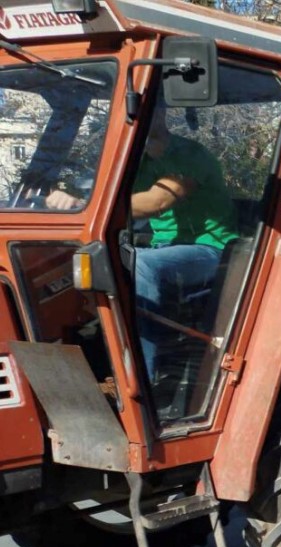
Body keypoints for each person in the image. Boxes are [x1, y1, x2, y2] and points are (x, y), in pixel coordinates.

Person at [46, 105, 238, 381]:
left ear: (160, 111)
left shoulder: (189, 155)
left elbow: (156, 201)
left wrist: (83, 204)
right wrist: (62, 195)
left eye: (149, 107)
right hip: (163, 246)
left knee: (140, 264)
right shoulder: (135, 160)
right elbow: (100, 190)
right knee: (89, 261)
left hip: (211, 249)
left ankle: (141, 380)